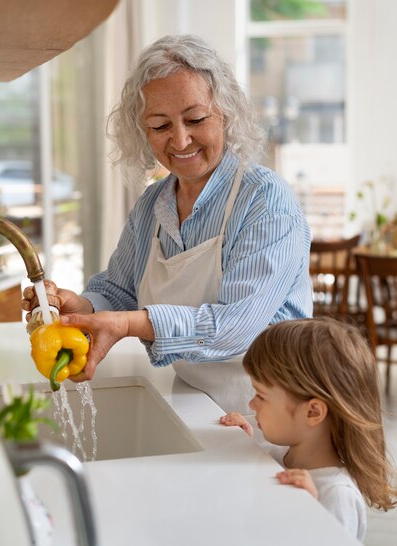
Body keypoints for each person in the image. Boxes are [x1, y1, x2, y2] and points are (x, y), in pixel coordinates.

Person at [22, 34, 313, 413]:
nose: (180, 139)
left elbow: (236, 326)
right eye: (160, 126)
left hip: (277, 414)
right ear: (143, 133)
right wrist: (78, 307)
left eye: (195, 119)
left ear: (225, 113)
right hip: (195, 402)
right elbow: (119, 291)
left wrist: (128, 325)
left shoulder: (265, 200)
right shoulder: (153, 205)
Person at [220, 317, 397, 541]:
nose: (251, 404)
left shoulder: (335, 495)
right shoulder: (279, 453)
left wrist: (310, 516)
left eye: (261, 396)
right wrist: (248, 443)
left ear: (313, 412)